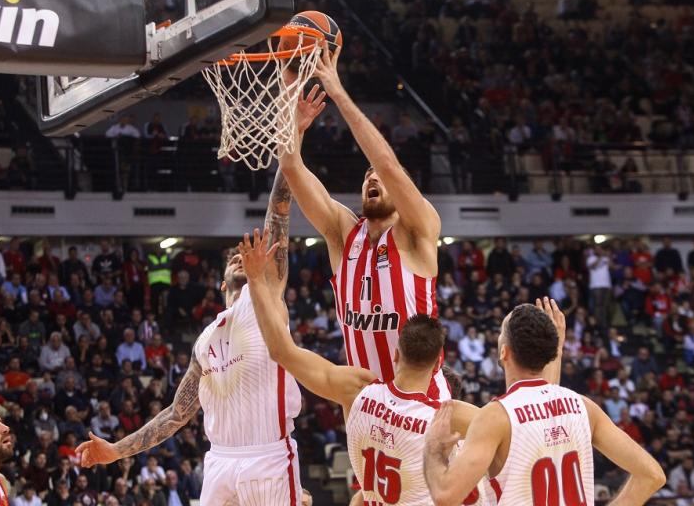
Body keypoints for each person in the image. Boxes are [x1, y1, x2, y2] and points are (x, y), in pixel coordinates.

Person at [238, 230, 566, 505]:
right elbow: (529, 419)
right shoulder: (447, 416)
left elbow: (282, 350)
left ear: (395, 355)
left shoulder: (359, 392)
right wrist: (552, 350)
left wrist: (255, 281)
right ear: (439, 361)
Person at [76, 169, 303, 504]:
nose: (241, 259)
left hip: (266, 456)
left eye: (246, 258)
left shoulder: (266, 300)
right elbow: (175, 415)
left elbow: (279, 214)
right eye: (234, 260)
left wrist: (290, 149)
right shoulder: (205, 340)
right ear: (222, 284)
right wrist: (115, 451)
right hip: (219, 460)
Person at [280, 43, 449, 399]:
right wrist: (290, 118)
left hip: (422, 405)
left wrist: (337, 92)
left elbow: (387, 164)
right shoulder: (344, 233)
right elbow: (292, 168)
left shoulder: (419, 228)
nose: (373, 178)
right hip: (367, 408)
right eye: (366, 175)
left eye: (381, 177)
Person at [422, 305, 666, 505]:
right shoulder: (584, 406)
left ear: (504, 352)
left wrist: (434, 448)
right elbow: (652, 475)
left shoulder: (496, 417)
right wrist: (556, 350)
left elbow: (445, 496)